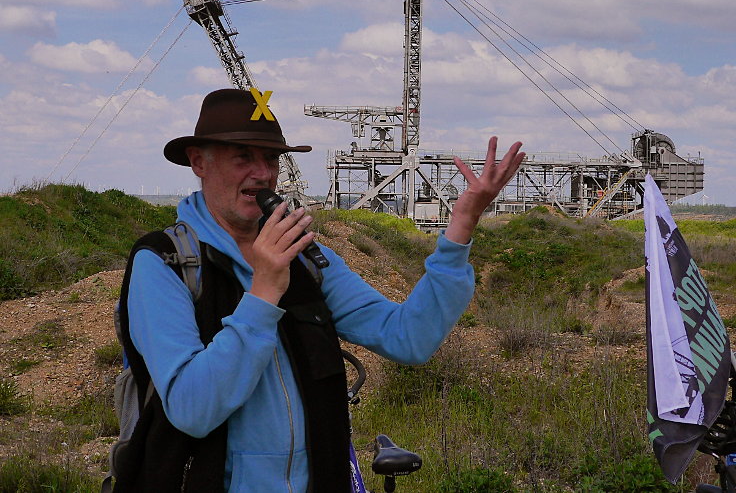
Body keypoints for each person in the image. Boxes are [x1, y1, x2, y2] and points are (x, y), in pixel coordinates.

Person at [121, 88, 524, 493]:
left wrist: (462, 226)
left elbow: (408, 338)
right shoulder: (164, 264)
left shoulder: (308, 261)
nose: (263, 174)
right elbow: (192, 409)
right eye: (243, 156)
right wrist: (263, 292)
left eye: (271, 158)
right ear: (198, 162)